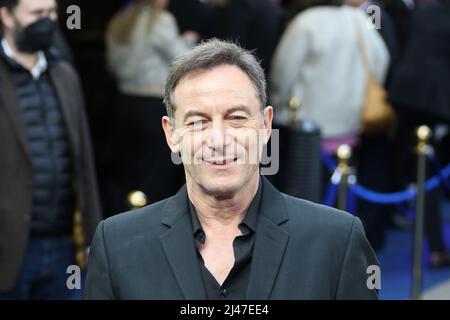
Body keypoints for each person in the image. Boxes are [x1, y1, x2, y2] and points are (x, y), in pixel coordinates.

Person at [85, 39, 379, 300]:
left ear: (265, 125)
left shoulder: (336, 241)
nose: (219, 139)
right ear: (171, 134)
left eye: (236, 118)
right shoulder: (117, 245)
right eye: (198, 121)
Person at [0, 0, 102, 299]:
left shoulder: (65, 75)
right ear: (6, 15)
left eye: (51, 13)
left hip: (63, 246)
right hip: (9, 247)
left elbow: (84, 162)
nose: (48, 21)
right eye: (36, 14)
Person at [105, 0, 198, 212]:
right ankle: (151, 227)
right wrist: (188, 41)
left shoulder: (120, 19)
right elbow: (183, 60)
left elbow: (111, 62)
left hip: (123, 101)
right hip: (153, 104)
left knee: (125, 171)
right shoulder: (160, 20)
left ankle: (120, 222)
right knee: (155, 175)